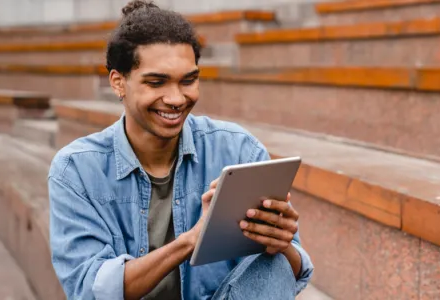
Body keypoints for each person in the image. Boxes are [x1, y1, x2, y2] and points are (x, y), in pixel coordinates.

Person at [47, 1, 313, 299]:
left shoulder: (239, 150)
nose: (176, 99)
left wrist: (281, 244)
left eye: (188, 80)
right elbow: (89, 290)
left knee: (275, 264)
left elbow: (291, 272)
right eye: (156, 82)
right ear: (118, 83)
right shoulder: (76, 170)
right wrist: (191, 240)